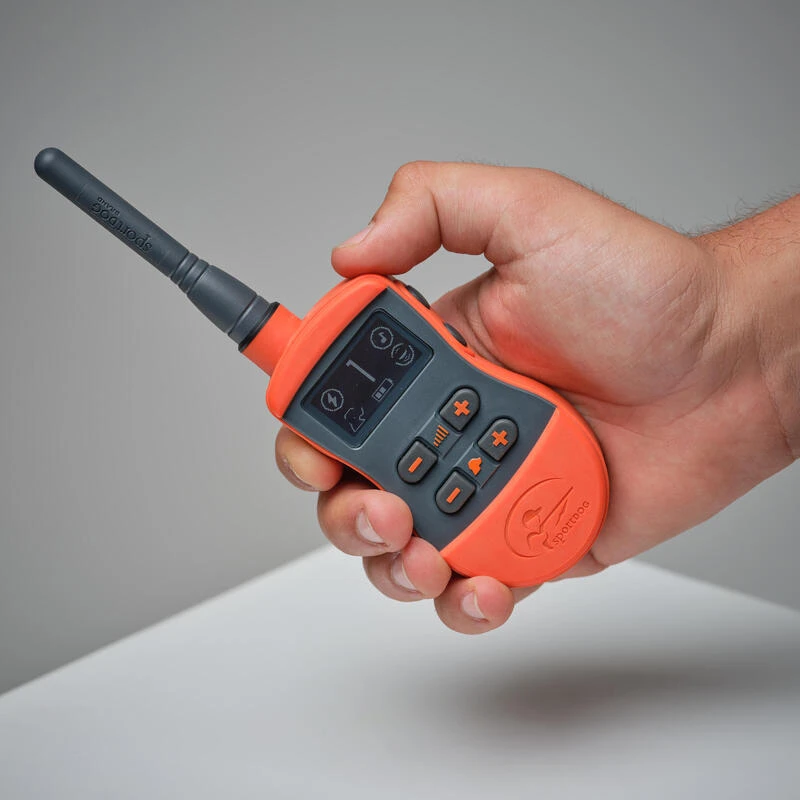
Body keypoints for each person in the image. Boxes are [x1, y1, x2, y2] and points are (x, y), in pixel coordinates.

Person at [274, 162, 799, 634]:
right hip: (535, 463)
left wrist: (733, 332)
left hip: (550, 449)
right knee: (356, 506)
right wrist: (750, 355)